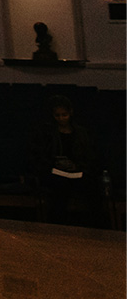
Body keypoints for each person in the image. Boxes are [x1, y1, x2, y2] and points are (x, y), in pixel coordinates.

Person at [30, 94, 103, 226]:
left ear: (70, 113)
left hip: (77, 171)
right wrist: (55, 165)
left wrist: (77, 166)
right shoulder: (47, 133)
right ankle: (58, 226)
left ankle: (96, 227)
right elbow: (40, 156)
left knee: (93, 188)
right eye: (57, 115)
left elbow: (89, 156)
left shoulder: (81, 133)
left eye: (64, 115)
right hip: (54, 172)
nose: (61, 118)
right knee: (60, 188)